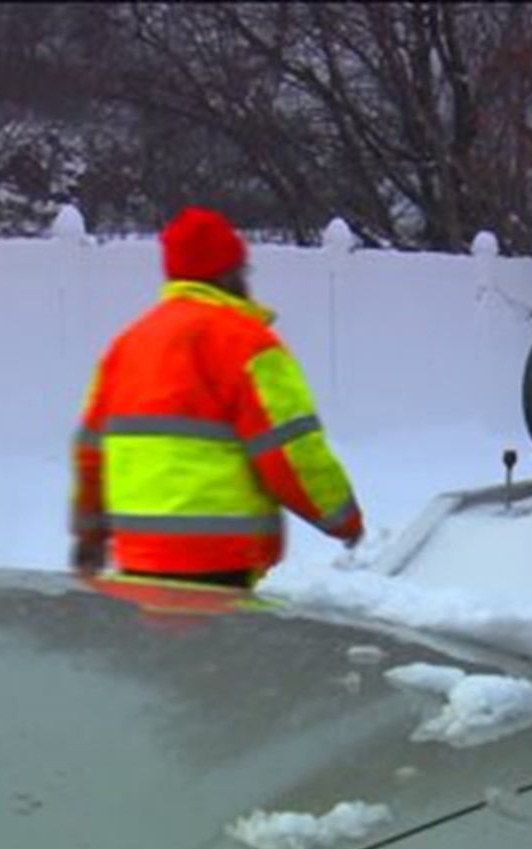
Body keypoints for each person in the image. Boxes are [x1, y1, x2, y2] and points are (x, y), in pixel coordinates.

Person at [70, 206, 364, 588]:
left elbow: (92, 452)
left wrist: (91, 537)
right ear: (231, 273)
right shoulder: (247, 343)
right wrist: (343, 520)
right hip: (222, 564)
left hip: (138, 565)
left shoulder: (126, 346)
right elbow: (291, 452)